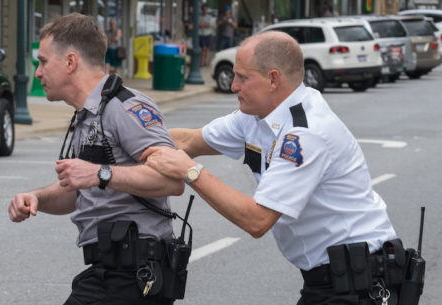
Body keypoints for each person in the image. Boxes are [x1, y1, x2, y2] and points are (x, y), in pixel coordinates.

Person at [141, 31, 399, 304]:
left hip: (361, 282)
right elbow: (187, 140)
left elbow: (258, 220)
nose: (233, 86)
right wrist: (119, 141)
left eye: (242, 77)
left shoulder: (305, 133)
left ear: (273, 79)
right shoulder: (255, 117)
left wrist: (190, 171)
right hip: (333, 280)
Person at [8, 13, 184, 305]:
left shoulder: (126, 107)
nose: (38, 72)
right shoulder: (90, 114)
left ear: (70, 62)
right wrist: (35, 197)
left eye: (43, 61)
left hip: (134, 276)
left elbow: (174, 180)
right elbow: (78, 191)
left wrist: (101, 173)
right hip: (110, 273)